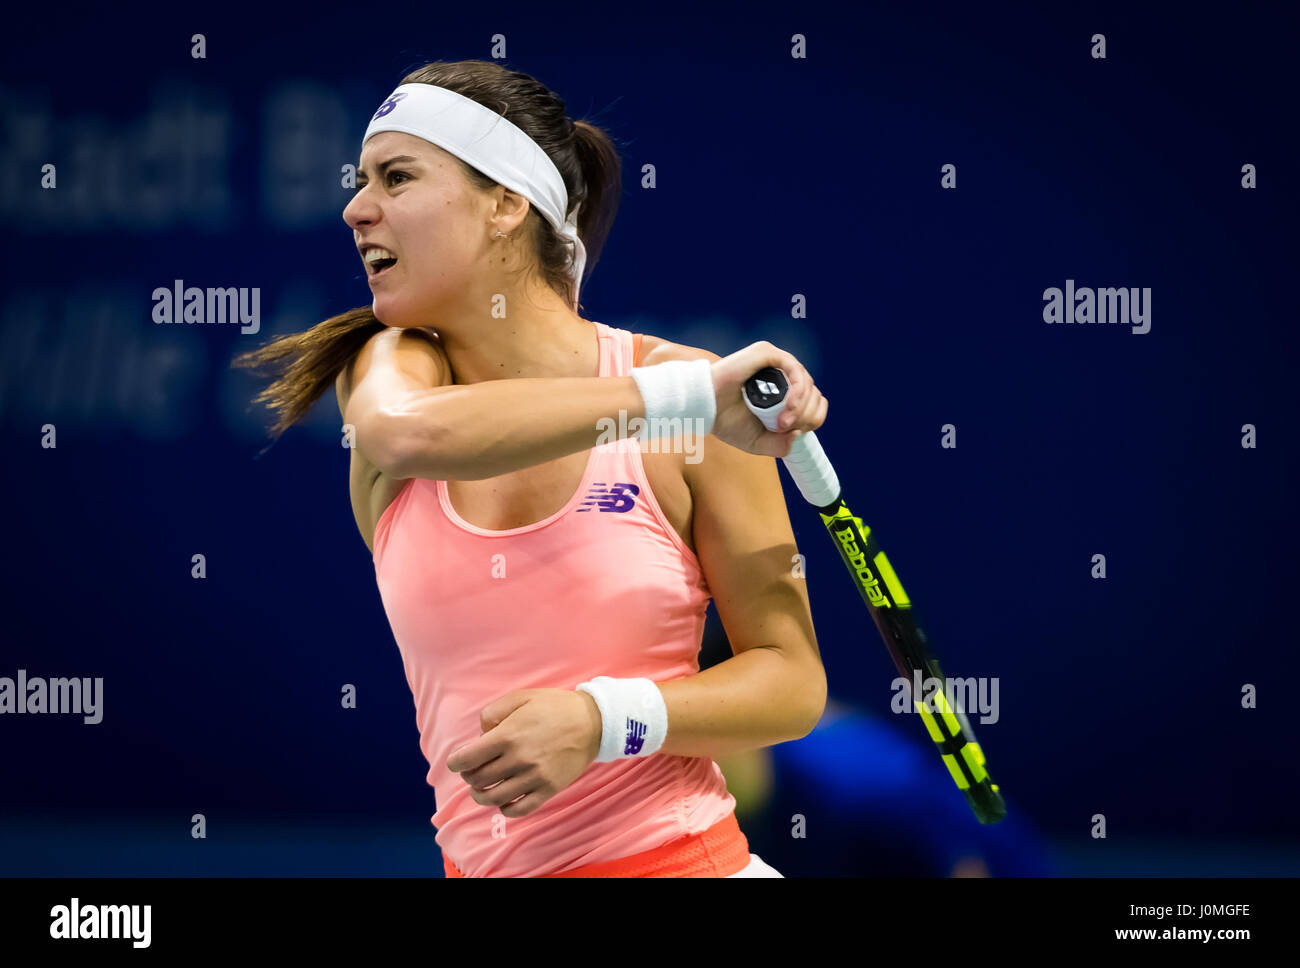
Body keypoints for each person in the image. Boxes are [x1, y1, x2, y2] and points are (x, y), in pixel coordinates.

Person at [235, 59, 828, 877]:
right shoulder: (389, 376)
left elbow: (791, 685)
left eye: (395, 177)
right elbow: (407, 433)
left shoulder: (695, 408)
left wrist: (603, 717)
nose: (355, 208)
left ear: (507, 204)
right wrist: (684, 395)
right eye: (361, 181)